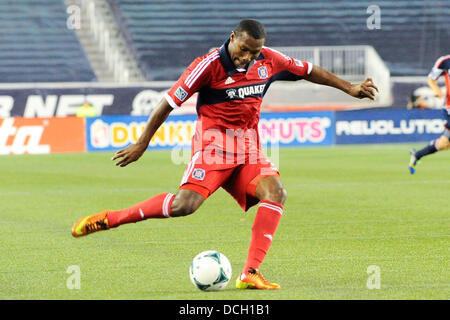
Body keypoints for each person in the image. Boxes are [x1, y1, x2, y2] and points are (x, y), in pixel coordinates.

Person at [71, 19, 378, 289]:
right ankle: (110, 219)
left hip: (248, 149)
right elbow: (167, 103)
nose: (247, 57)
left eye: (254, 52)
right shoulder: (207, 65)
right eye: (243, 49)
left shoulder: (269, 60)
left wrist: (348, 87)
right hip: (212, 149)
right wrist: (142, 142)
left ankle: (250, 273)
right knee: (183, 206)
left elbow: (310, 71)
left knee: (276, 192)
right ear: (233, 37)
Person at [409, 55, 450, 174]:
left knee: (444, 144)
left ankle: (417, 155)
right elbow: (431, 79)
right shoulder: (445, 61)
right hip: (449, 108)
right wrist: (436, 89)